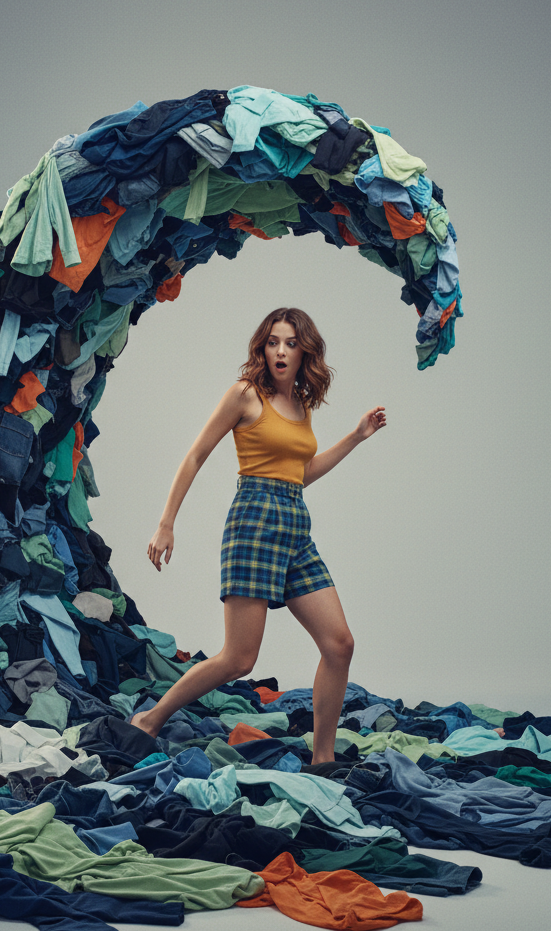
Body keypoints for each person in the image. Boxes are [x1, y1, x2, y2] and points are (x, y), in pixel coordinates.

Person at [130, 307, 386, 764]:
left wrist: (356, 436)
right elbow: (195, 456)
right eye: (272, 342)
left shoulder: (301, 405)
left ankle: (323, 760)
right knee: (239, 659)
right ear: (262, 349)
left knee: (339, 643)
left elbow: (300, 474)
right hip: (254, 523)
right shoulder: (245, 395)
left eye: (289, 342)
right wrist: (167, 522)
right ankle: (149, 720)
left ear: (305, 348)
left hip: (294, 525)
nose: (281, 351)